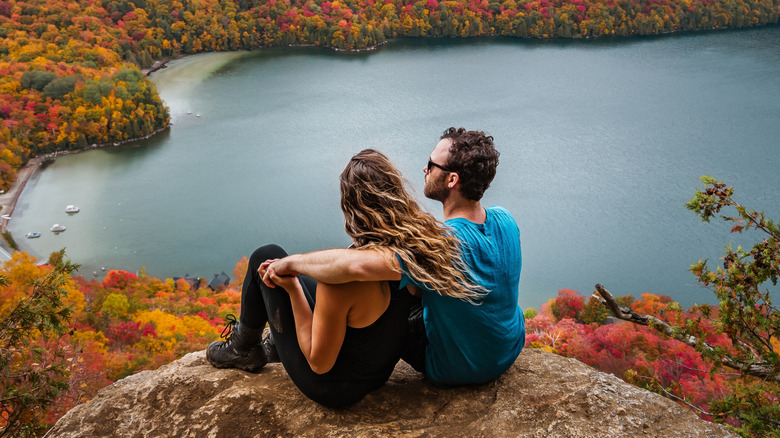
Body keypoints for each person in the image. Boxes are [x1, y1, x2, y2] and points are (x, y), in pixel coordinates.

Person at [206, 149, 481, 407]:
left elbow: (319, 363)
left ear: (351, 205)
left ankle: (243, 348)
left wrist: (293, 290)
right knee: (296, 272)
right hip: (378, 371)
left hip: (334, 387)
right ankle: (273, 345)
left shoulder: (340, 282)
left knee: (265, 256)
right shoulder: (414, 250)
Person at [263, 128, 525, 387]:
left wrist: (291, 262)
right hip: (508, 349)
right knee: (412, 284)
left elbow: (354, 266)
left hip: (460, 368)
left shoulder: (442, 246)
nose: (425, 168)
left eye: (432, 165)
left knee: (385, 288)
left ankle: (306, 340)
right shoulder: (505, 219)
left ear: (452, 180)